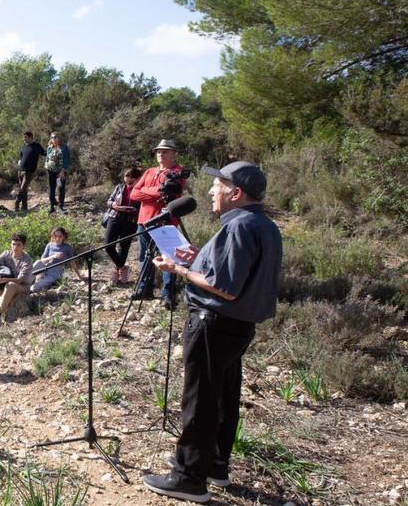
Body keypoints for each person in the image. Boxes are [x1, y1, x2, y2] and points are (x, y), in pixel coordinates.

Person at [141, 162, 282, 504]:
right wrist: (199, 256)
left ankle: (189, 477)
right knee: (223, 395)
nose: (210, 192)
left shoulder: (240, 227)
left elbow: (225, 287)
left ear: (236, 193)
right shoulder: (263, 225)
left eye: (217, 186)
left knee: (200, 399)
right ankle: (216, 465)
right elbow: (233, 273)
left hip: (213, 323)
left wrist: (176, 269)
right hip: (237, 327)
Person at [130, 139, 187, 309]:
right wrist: (155, 193)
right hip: (144, 219)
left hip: (166, 220)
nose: (161, 154)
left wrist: (146, 192)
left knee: (168, 256)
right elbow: (134, 193)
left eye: (165, 151)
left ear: (173, 154)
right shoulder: (149, 172)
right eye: (159, 151)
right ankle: (144, 288)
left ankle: (167, 294)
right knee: (144, 255)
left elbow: (170, 191)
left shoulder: (178, 172)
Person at [0, 233, 35, 323]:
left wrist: (2, 280)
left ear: (23, 246)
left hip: (22, 287)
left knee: (10, 285)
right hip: (4, 285)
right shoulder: (7, 254)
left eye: (18, 245)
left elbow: (19, 280)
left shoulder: (27, 260)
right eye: (13, 244)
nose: (15, 247)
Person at [104, 168, 143, 285]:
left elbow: (141, 208)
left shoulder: (141, 190)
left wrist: (131, 210)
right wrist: (114, 205)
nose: (129, 180)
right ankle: (123, 268)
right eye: (127, 177)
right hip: (114, 217)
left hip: (130, 221)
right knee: (108, 246)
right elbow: (109, 201)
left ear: (138, 179)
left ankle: (117, 270)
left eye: (132, 178)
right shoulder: (120, 187)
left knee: (124, 248)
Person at [31, 227, 74, 292]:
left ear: (64, 236)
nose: (57, 238)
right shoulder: (49, 245)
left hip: (56, 271)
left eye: (60, 236)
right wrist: (53, 256)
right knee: (38, 262)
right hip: (46, 267)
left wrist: (79, 276)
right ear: (53, 236)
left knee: (34, 288)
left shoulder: (67, 247)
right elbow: (42, 260)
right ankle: (23, 279)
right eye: (55, 236)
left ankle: (42, 284)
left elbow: (72, 261)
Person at [15, 131, 42, 211]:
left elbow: (44, 153)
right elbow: (21, 156)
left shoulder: (36, 146)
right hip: (20, 170)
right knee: (24, 190)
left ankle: (16, 202)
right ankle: (24, 207)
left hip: (29, 171)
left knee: (22, 188)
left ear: (31, 137)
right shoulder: (24, 146)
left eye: (26, 137)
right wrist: (19, 164)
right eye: (23, 137)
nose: (24, 139)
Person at [44, 132, 71, 213]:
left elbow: (66, 159)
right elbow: (47, 158)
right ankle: (52, 206)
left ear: (59, 138)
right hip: (50, 171)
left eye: (55, 137)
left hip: (60, 172)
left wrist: (63, 170)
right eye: (52, 137)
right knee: (51, 188)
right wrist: (46, 166)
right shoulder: (49, 147)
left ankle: (61, 206)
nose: (54, 139)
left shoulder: (64, 147)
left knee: (61, 187)